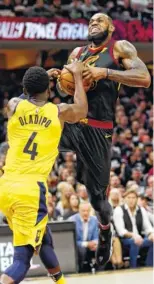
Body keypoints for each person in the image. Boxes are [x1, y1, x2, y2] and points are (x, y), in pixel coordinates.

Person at [25, 12, 151, 266]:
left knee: (97, 199)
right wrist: (62, 81)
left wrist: (104, 72)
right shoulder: (76, 53)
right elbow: (64, 90)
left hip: (98, 129)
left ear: (111, 27)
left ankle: (105, 230)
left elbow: (144, 78)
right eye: (91, 21)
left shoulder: (119, 48)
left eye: (100, 20)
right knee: (49, 120)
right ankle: (29, 185)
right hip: (75, 122)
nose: (94, 23)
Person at [0, 61, 88, 284]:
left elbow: (23, 97)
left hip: (6, 186)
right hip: (30, 191)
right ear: (48, 90)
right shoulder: (57, 112)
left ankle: (60, 281)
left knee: (43, 237)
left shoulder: (13, 105)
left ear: (26, 89)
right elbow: (81, 110)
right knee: (23, 259)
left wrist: (38, 81)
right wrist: (77, 76)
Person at [113, 189, 154, 268]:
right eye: (129, 198)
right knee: (134, 242)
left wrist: (151, 234)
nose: (131, 200)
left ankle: (149, 266)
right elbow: (121, 231)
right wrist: (134, 236)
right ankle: (133, 267)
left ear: (137, 199)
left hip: (139, 237)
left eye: (133, 198)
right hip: (124, 240)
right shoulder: (119, 210)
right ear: (125, 199)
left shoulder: (141, 210)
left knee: (153, 240)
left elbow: (147, 226)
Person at [69, 202, 98, 272]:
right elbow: (72, 241)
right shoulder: (72, 220)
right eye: (83, 211)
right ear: (79, 211)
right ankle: (80, 270)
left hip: (91, 245)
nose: (86, 213)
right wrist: (87, 244)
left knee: (101, 248)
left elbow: (96, 236)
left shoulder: (94, 220)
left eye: (87, 211)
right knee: (82, 250)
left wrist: (95, 243)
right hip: (78, 246)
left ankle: (100, 271)